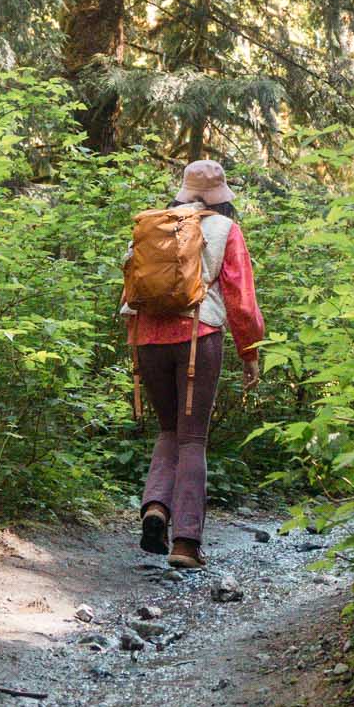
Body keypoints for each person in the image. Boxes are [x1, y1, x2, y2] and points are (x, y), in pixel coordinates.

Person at [124, 158, 263, 568]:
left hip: (147, 337)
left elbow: (130, 285)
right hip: (198, 338)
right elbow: (241, 299)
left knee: (169, 429)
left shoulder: (151, 224)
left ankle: (155, 508)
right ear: (221, 196)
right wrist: (250, 351)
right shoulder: (225, 229)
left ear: (183, 189)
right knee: (192, 439)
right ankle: (186, 543)